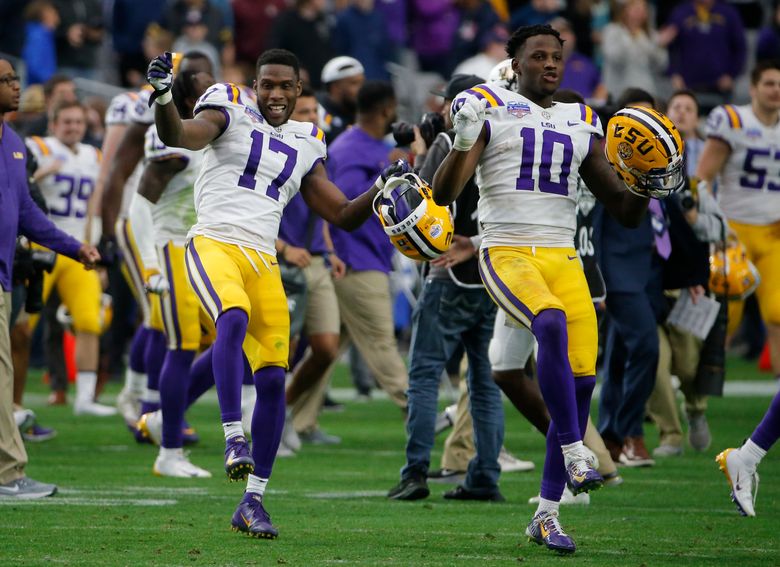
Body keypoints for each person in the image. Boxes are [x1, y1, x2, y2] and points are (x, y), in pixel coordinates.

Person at [147, 47, 408, 538]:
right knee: (233, 316)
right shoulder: (227, 103)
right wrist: (163, 97)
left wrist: (382, 185)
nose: (274, 94)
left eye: (285, 86)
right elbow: (180, 134)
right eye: (266, 84)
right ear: (255, 83)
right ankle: (231, 436)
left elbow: (343, 214)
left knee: (272, 379)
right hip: (215, 242)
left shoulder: (308, 138)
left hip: (263, 259)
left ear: (299, 89)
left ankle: (253, 503)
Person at [431, 24, 656, 554]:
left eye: (557, 56)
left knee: (580, 383)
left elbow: (621, 209)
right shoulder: (490, 107)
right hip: (506, 249)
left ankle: (547, 514)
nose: (551, 64)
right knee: (548, 322)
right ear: (515, 63)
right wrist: (462, 141)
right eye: (539, 56)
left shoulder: (581, 119)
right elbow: (443, 193)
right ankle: (577, 448)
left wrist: (647, 183)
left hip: (563, 255)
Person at [387, 73, 505, 503]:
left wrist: (421, 149)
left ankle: (415, 472)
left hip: (446, 275)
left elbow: (417, 199)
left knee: (422, 376)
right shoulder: (505, 139)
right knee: (484, 384)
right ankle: (485, 475)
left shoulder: (451, 140)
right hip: (493, 274)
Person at [0, 57, 100, 498]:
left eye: (14, 77)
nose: (15, 85)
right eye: (4, 80)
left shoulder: (13, 142)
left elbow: (26, 213)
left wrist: (74, 248)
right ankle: (8, 473)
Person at [133, 68, 217, 477]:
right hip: (172, 246)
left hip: (205, 250)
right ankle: (168, 452)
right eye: (207, 87)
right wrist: (149, 263)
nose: (218, 90)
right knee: (182, 345)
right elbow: (139, 205)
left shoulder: (221, 138)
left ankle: (166, 416)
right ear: (188, 102)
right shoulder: (177, 148)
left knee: (233, 342)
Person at [25, 99, 115, 416]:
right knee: (21, 326)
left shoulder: (94, 155)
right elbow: (15, 189)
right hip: (42, 247)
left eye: (78, 122)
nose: (73, 127)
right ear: (53, 124)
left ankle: (85, 399)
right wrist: (39, 174)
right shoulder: (36, 148)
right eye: (67, 122)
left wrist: (99, 251)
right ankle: (12, 399)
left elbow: (98, 206)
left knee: (90, 320)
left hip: (79, 248)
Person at [325, 81, 410, 413]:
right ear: (387, 108)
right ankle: (419, 413)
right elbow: (344, 203)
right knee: (381, 340)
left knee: (327, 352)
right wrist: (384, 170)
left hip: (370, 254)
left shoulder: (373, 146)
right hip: (355, 258)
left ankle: (295, 417)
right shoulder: (350, 148)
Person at [696, 59, 780, 390]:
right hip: (734, 231)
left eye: (779, 85)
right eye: (770, 83)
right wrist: (714, 225)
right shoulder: (733, 121)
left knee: (777, 314)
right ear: (754, 87)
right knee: (725, 321)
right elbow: (702, 178)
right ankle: (699, 389)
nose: (776, 90)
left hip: (773, 233)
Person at [279, 86, 345, 450]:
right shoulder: (276, 151)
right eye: (303, 113)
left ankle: (284, 408)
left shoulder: (317, 152)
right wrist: (284, 247)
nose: (311, 119)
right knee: (281, 350)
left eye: (313, 113)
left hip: (314, 259)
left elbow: (321, 208)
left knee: (325, 347)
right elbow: (254, 213)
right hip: (280, 260)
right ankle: (265, 419)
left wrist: (329, 248)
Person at [600, 0, 669, 99]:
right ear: (625, 10)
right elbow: (614, 58)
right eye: (635, 7)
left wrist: (653, 44)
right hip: (619, 93)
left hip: (647, 91)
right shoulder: (612, 31)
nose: (639, 11)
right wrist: (629, 37)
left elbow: (662, 64)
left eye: (643, 8)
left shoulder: (651, 34)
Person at [318, 56, 365, 143]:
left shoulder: (363, 109)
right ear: (335, 87)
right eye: (354, 83)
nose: (362, 89)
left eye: (362, 82)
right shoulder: (318, 111)